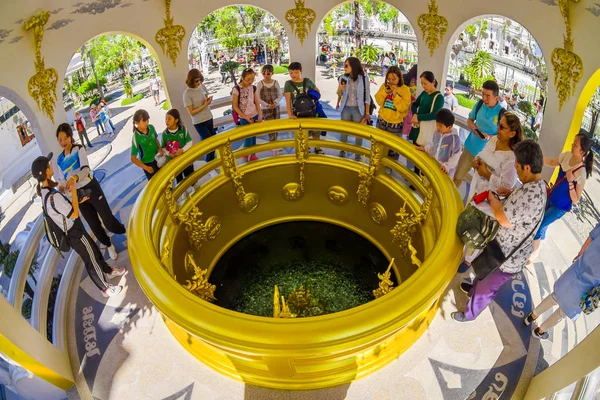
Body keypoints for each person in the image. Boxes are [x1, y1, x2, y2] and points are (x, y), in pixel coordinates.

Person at [452, 140, 547, 322]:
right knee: (482, 269)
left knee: (487, 289)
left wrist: (492, 197)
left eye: (518, 166)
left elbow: (503, 218)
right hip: (502, 246)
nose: (516, 170)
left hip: (508, 257)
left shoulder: (531, 195)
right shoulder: (536, 185)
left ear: (527, 168)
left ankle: (470, 313)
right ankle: (473, 288)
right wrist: (511, 193)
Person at [32, 154, 126, 297]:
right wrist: (75, 191)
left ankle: (108, 271)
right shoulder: (53, 197)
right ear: (45, 172)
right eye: (48, 165)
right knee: (91, 259)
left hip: (74, 230)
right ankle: (105, 288)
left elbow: (66, 210)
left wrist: (78, 199)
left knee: (93, 250)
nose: (51, 165)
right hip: (74, 232)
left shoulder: (46, 194)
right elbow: (74, 214)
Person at [55, 123, 126, 260]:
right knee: (93, 224)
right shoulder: (59, 160)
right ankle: (108, 245)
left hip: (91, 187)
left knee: (107, 219)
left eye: (65, 138)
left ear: (70, 137)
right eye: (60, 139)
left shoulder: (78, 149)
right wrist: (62, 186)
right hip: (78, 195)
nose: (63, 142)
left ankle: (124, 231)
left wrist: (74, 178)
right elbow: (61, 179)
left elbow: (86, 170)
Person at [525, 221, 600, 340]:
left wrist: (580, 254)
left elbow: (591, 237)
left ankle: (531, 316)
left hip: (577, 270)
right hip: (588, 288)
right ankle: (539, 331)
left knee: (554, 297)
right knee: (563, 312)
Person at [529, 132, 593, 263]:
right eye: (573, 143)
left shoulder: (581, 173)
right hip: (552, 197)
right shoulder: (566, 155)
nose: (572, 145)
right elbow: (553, 162)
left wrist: (570, 182)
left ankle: (534, 253)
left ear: (582, 152)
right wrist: (537, 157)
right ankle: (539, 240)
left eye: (575, 145)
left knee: (539, 225)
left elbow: (575, 200)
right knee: (541, 220)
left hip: (561, 207)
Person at [453, 80, 506, 187]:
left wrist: (489, 137)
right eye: (483, 94)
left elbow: (504, 136)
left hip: (487, 155)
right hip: (470, 148)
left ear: (496, 98)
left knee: (479, 186)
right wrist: (473, 127)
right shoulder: (479, 104)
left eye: (488, 96)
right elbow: (470, 119)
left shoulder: (502, 113)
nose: (484, 98)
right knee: (457, 178)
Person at [336, 57, 372, 161]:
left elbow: (367, 97)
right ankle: (342, 151)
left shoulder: (364, 79)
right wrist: (340, 88)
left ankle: (358, 154)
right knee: (344, 132)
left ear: (353, 66)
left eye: (347, 65)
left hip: (358, 109)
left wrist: (367, 112)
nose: (344, 67)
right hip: (346, 108)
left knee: (358, 133)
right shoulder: (343, 77)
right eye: (344, 65)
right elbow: (339, 94)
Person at [284, 62, 324, 154]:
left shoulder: (308, 81)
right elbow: (288, 100)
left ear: (301, 71)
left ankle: (317, 147)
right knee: (302, 132)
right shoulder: (288, 84)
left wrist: (312, 94)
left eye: (296, 72)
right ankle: (306, 147)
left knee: (315, 130)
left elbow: (317, 92)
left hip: (311, 111)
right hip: (298, 113)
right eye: (291, 73)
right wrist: (290, 115)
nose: (293, 75)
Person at [374, 65, 411, 161]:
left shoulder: (405, 90)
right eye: (389, 79)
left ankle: (389, 169)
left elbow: (403, 108)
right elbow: (378, 101)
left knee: (393, 149)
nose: (391, 81)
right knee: (377, 146)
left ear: (399, 78)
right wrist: (385, 93)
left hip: (395, 124)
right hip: (382, 120)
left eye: (394, 79)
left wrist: (395, 95)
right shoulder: (384, 86)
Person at [416, 108, 462, 176]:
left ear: (449, 127)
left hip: (445, 170)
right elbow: (433, 145)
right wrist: (425, 149)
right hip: (434, 165)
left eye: (440, 125)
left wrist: (447, 166)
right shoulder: (436, 133)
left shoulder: (455, 139)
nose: (437, 127)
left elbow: (456, 155)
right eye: (437, 124)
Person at [183, 69, 215, 162]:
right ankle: (209, 164)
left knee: (212, 141)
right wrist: (204, 105)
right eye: (196, 81)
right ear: (191, 80)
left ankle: (212, 162)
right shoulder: (187, 94)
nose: (199, 82)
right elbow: (191, 112)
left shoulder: (202, 87)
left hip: (208, 117)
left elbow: (205, 99)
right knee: (210, 144)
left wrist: (208, 101)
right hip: (199, 121)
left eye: (200, 80)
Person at [233, 68, 263, 161]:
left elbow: (257, 103)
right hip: (244, 118)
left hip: (254, 115)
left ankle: (253, 154)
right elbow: (235, 106)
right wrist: (246, 118)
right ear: (242, 78)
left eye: (252, 79)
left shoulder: (252, 87)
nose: (250, 82)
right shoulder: (236, 89)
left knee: (253, 137)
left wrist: (260, 115)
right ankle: (245, 154)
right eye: (248, 79)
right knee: (248, 138)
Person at [408, 71, 444, 147]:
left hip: (426, 129)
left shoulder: (439, 97)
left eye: (425, 83)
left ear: (433, 82)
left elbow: (434, 114)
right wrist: (415, 114)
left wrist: (418, 117)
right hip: (417, 126)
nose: (423, 86)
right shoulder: (424, 93)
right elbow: (414, 104)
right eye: (422, 83)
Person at [130, 109, 164, 180]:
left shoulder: (151, 127)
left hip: (158, 158)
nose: (146, 123)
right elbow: (133, 158)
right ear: (136, 122)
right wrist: (146, 168)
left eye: (147, 120)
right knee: (156, 186)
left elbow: (155, 139)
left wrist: (160, 149)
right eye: (144, 121)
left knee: (165, 180)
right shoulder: (136, 137)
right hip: (148, 164)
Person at [162, 109, 193, 184]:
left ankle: (195, 189)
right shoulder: (165, 134)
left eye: (169, 119)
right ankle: (183, 194)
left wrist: (182, 150)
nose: (166, 121)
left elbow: (190, 142)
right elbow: (163, 148)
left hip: (186, 159)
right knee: (179, 181)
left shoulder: (183, 129)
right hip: (174, 163)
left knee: (191, 177)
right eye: (166, 118)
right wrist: (169, 153)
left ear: (176, 120)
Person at [257, 64, 283, 154]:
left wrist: (275, 102)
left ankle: (275, 144)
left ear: (272, 73)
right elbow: (257, 98)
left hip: (276, 108)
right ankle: (273, 146)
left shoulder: (275, 82)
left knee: (276, 126)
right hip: (265, 109)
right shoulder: (260, 84)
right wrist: (267, 105)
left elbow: (280, 94)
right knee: (270, 127)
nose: (266, 75)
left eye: (268, 73)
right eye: (264, 73)